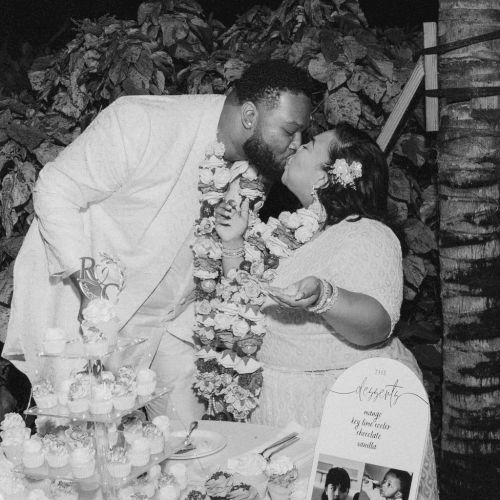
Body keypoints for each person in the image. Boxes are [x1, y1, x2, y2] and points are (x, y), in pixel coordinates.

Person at [3, 60, 313, 424]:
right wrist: (91, 290)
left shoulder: (259, 163)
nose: (298, 144)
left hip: (173, 326)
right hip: (94, 318)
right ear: (249, 115)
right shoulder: (141, 121)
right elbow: (55, 190)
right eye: (290, 131)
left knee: (195, 446)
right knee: (89, 455)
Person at [214, 123, 438, 499]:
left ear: (332, 173)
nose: (296, 146)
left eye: (310, 145)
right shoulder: (296, 233)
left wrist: (325, 296)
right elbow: (246, 308)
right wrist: (233, 242)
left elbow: (377, 325)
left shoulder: (366, 233)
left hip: (342, 419)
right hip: (279, 411)